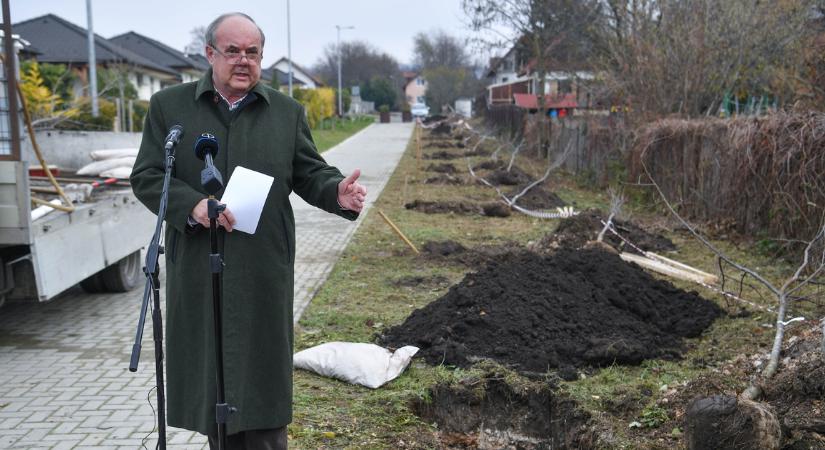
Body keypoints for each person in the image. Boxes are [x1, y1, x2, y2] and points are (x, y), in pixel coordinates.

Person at [130, 12, 366, 449]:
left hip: (261, 267)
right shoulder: (171, 108)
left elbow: (310, 172)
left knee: (260, 386)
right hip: (199, 267)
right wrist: (194, 206)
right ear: (209, 54)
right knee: (211, 380)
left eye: (252, 52)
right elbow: (146, 176)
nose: (243, 61)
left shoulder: (286, 113)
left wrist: (337, 193)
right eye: (232, 51)